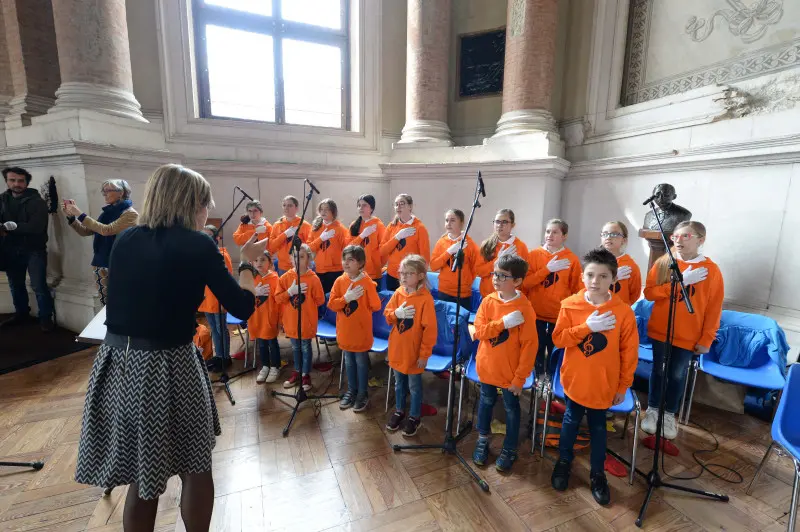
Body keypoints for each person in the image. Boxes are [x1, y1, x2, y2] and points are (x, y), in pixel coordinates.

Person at [74, 164, 265, 532]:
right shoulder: (198, 243)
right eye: (205, 203)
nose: (206, 211)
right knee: (196, 464)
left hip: (119, 364)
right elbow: (241, 308)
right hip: (169, 364)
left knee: (142, 475)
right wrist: (246, 263)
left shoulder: (127, 238)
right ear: (191, 204)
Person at [550, 247, 638, 506]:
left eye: (602, 276)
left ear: (613, 279)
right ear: (582, 277)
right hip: (575, 378)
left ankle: (597, 473)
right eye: (590, 275)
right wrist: (586, 327)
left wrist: (624, 384)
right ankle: (564, 461)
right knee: (570, 419)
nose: (595, 282)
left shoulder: (623, 312)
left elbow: (629, 352)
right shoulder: (570, 305)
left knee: (598, 427)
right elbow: (559, 338)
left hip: (604, 382)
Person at [641, 221, 723, 440]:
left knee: (677, 375)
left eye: (685, 236)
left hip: (688, 335)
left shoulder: (711, 271)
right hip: (661, 331)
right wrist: (680, 282)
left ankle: (669, 414)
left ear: (700, 240)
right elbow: (649, 293)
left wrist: (707, 338)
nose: (678, 241)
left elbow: (714, 309)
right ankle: (652, 409)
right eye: (675, 237)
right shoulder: (664, 262)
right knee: (658, 371)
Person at [471, 254, 537, 472]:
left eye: (503, 275)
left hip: (510, 373)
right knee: (486, 401)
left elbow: (529, 347)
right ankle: (483, 438)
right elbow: (478, 332)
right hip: (488, 366)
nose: (496, 279)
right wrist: (502, 323)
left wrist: (520, 378)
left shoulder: (525, 309)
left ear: (517, 281)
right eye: (495, 274)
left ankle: (510, 447)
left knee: (511, 408)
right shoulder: (488, 301)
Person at [384, 254, 437, 437]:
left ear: (421, 275)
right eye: (402, 273)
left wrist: (424, 355)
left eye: (409, 273)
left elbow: (430, 331)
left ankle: (414, 416)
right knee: (399, 384)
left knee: (414, 386)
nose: (404, 277)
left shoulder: (425, 299)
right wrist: (396, 314)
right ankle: (399, 410)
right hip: (398, 349)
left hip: (414, 352)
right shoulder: (398, 293)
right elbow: (388, 315)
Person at [63, 179, 139, 306]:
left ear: (121, 193)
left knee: (121, 301)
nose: (104, 194)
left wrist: (81, 214)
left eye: (108, 190)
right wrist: (72, 217)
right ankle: (107, 325)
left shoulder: (130, 214)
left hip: (119, 263)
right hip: (100, 261)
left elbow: (106, 230)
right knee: (105, 302)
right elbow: (85, 231)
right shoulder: (106, 213)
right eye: (103, 191)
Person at [523, 219, 582, 376]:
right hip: (536, 313)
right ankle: (537, 378)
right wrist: (546, 270)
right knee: (536, 349)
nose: (550, 235)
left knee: (555, 351)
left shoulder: (572, 259)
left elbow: (577, 290)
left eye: (555, 232)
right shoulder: (533, 255)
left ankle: (551, 380)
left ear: (564, 236)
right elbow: (526, 284)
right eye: (548, 231)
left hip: (559, 315)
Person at [0, 167, 55, 331]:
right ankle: (21, 314)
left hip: (34, 249)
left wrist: (8, 228)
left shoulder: (37, 201)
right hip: (10, 248)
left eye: (20, 180)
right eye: (12, 180)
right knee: (15, 284)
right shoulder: (2, 199)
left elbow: (35, 227)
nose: (16, 184)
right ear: (7, 181)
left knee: (38, 285)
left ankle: (46, 318)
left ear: (26, 182)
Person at [328, 245, 381, 412]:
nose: (346, 263)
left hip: (361, 332)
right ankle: (351, 390)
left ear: (361, 263)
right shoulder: (339, 281)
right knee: (349, 362)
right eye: (344, 259)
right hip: (345, 331)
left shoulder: (366, 282)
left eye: (351, 260)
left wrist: (368, 288)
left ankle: (362, 393)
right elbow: (331, 304)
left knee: (361, 362)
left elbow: (376, 305)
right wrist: (345, 298)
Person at [275, 243, 325, 392]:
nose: (297, 260)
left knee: (305, 347)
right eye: (295, 256)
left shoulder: (313, 279)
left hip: (306, 321)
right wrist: (290, 292)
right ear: (290, 258)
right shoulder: (285, 278)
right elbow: (278, 298)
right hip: (291, 320)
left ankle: (305, 374)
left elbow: (320, 300)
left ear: (308, 259)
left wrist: (308, 298)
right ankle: (297, 370)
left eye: (302, 257)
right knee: (295, 347)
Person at [198, 224, 234, 372]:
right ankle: (218, 355)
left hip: (218, 298)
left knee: (221, 329)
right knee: (213, 328)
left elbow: (228, 277)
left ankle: (226, 357)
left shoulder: (222, 254)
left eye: (209, 235)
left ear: (216, 238)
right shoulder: (200, 253)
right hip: (206, 297)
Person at [430, 209, 479, 311]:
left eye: (452, 220)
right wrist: (449, 252)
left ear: (461, 223)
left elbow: (476, 268)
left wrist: (466, 281)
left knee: (460, 323)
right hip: (444, 291)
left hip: (462, 293)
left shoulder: (469, 244)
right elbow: (434, 266)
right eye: (446, 220)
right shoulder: (441, 242)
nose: (448, 223)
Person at [379, 194, 430, 291]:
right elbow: (382, 251)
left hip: (411, 277)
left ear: (410, 206)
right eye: (396, 204)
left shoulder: (420, 228)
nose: (398, 207)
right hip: (392, 274)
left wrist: (420, 278)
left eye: (402, 204)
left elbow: (425, 258)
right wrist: (397, 237)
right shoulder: (391, 226)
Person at [475, 209, 530, 298]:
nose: (500, 225)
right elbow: (479, 272)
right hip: (487, 295)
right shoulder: (486, 244)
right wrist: (497, 260)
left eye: (504, 222)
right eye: (497, 222)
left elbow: (523, 276)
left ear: (512, 225)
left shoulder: (520, 246)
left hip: (510, 297)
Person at [250, 250, 283, 384]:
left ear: (270, 262)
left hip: (270, 318)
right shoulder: (251, 278)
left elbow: (279, 301)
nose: (259, 263)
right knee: (261, 344)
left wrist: (280, 320)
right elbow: (243, 296)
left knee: (272, 343)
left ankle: (275, 366)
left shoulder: (275, 279)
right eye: (256, 260)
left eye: (263, 260)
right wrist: (253, 292)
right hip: (256, 317)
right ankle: (265, 366)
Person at [309, 198, 348, 294]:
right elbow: (309, 248)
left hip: (336, 270)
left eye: (327, 209)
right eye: (321, 209)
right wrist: (321, 239)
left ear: (333, 212)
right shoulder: (315, 228)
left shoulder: (340, 229)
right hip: (319, 269)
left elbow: (346, 250)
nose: (323, 211)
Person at [600, 221, 642, 305]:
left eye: (614, 234)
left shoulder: (630, 265)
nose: (608, 237)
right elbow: (585, 287)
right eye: (605, 234)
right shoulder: (593, 261)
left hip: (620, 311)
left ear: (624, 240)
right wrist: (610, 278)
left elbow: (634, 294)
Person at [270, 195, 312, 276]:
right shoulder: (277, 225)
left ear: (296, 208)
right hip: (283, 267)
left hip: (300, 266)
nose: (286, 208)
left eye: (290, 205)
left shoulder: (304, 225)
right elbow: (272, 247)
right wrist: (285, 235)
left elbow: (310, 248)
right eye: (284, 205)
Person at [347, 194, 385, 283]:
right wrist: (362, 235)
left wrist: (377, 265)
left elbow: (384, 251)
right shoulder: (354, 225)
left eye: (364, 205)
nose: (361, 208)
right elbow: (348, 248)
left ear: (371, 208)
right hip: (356, 270)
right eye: (359, 205)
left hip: (373, 272)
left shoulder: (379, 225)